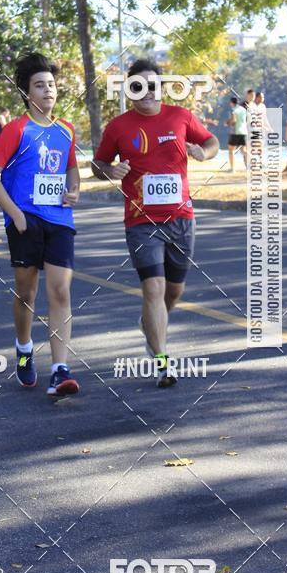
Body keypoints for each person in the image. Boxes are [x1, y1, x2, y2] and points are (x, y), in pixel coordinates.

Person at [92, 58, 219, 388]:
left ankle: (151, 322)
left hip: (181, 217)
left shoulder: (181, 117)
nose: (146, 91)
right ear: (129, 91)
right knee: (153, 287)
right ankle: (162, 360)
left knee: (174, 291)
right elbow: (98, 163)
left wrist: (202, 153)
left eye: (153, 85)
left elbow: (212, 142)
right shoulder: (118, 127)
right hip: (140, 220)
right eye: (138, 86)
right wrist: (109, 171)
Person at [0, 53, 81, 397]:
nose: (48, 90)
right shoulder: (16, 130)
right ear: (27, 93)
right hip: (25, 221)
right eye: (40, 85)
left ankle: (59, 369)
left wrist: (75, 189)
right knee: (27, 293)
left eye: (51, 84)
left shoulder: (66, 129)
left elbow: (71, 167)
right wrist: (16, 214)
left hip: (59, 220)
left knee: (61, 291)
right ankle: (24, 348)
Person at [225, 96, 248, 171]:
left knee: (231, 150)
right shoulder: (243, 109)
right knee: (243, 150)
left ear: (232, 103)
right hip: (244, 132)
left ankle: (232, 168)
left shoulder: (234, 110)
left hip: (236, 132)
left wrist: (228, 123)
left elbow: (234, 120)